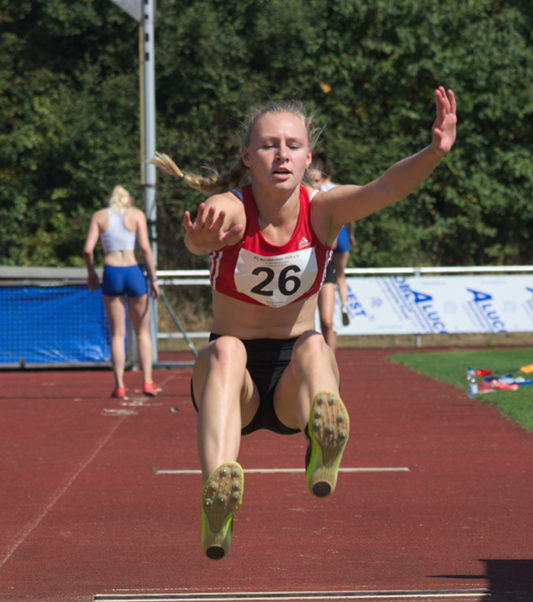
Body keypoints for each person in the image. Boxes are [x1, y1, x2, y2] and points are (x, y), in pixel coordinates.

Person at [151, 86, 456, 559]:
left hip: (296, 380)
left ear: (308, 156)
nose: (281, 154)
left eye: (292, 145)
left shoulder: (323, 210)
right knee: (224, 349)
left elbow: (386, 188)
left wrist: (433, 152)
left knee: (314, 345)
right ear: (247, 156)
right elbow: (206, 233)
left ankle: (321, 443)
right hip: (236, 386)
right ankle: (217, 494)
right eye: (269, 145)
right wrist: (198, 242)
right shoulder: (232, 208)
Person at [83, 185, 160, 398]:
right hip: (133, 271)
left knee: (118, 333)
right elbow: (145, 248)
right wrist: (153, 278)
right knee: (142, 332)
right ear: (129, 200)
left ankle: (120, 385)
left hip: (112, 272)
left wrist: (91, 272)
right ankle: (147, 382)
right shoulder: (137, 215)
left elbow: (87, 249)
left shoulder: (99, 216)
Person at [307, 149, 357, 349]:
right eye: (310, 181)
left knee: (327, 322)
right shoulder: (293, 203)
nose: (315, 185)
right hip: (300, 269)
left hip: (324, 265)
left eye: (317, 181)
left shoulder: (328, 201)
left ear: (323, 182)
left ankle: (331, 371)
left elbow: (348, 215)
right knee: (302, 329)